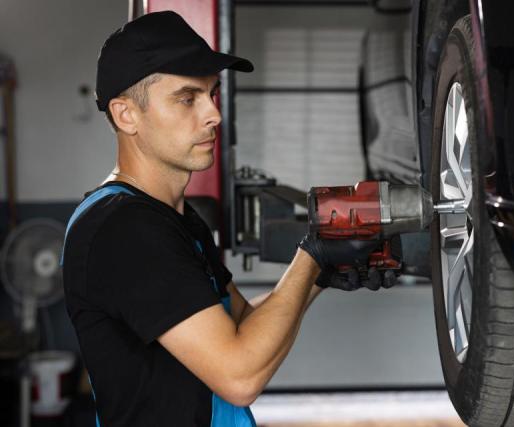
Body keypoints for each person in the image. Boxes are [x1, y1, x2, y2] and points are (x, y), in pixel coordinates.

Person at [61, 11, 387, 426]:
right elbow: (238, 374)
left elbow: (241, 325)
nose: (213, 114)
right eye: (187, 98)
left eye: (212, 95)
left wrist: (321, 277)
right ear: (126, 115)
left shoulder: (173, 217)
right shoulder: (123, 229)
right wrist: (313, 257)